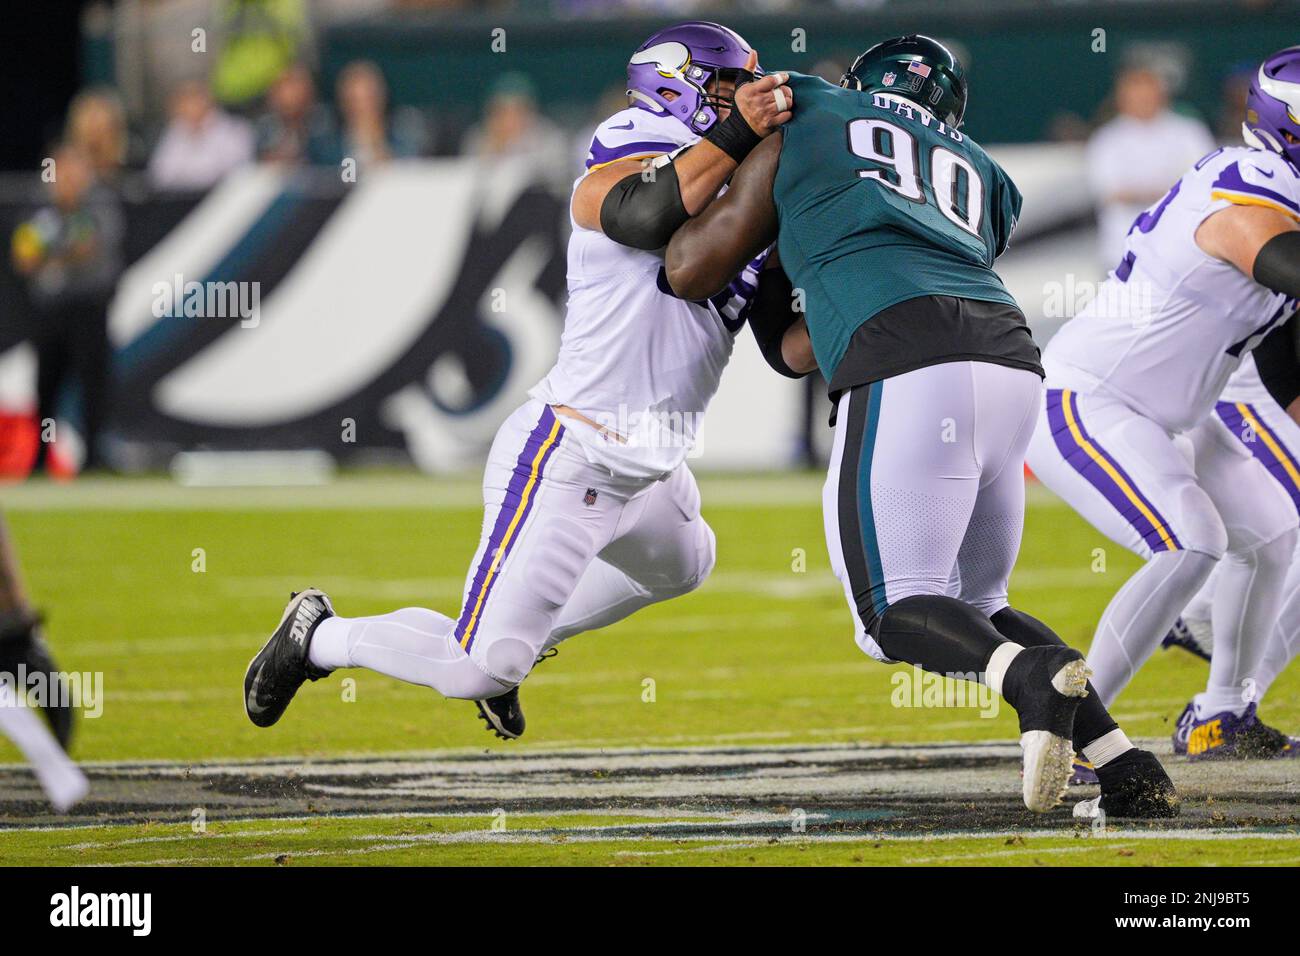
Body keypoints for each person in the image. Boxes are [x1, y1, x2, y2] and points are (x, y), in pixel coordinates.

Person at [663, 35, 1178, 818]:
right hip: (1008, 362)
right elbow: (808, 339)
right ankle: (1123, 763)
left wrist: (745, 235)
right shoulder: (986, 176)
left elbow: (690, 269)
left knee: (889, 610)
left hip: (906, 357)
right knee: (978, 597)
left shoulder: (811, 107)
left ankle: (1030, 679)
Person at [242, 22, 794, 742]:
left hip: (653, 468)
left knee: (689, 559)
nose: (737, 106)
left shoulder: (742, 195)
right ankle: (319, 636)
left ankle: (513, 634)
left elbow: (785, 345)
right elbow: (646, 212)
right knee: (480, 667)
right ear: (675, 84)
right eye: (724, 90)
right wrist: (740, 139)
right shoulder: (634, 136)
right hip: (574, 450)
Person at [1025, 46, 1300, 762]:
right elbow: (1283, 265)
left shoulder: (1266, 184)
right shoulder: (1250, 187)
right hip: (1087, 399)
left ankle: (1222, 715)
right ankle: (1075, 737)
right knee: (1191, 540)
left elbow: (1276, 347)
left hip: (1167, 414)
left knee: (1270, 536)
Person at [11, 143, 123, 473]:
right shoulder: (40, 209)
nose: (68, 179)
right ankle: (41, 455)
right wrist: (51, 251)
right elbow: (23, 257)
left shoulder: (99, 205)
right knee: (47, 384)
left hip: (88, 306)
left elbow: (85, 247)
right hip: (51, 308)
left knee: (93, 382)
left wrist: (50, 251)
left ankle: (94, 454)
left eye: (75, 171)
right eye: (62, 172)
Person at [1086, 65, 1214, 272]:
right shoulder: (1106, 140)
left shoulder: (1188, 132)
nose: (1143, 101)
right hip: (1122, 256)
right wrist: (1171, 192)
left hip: (1182, 255)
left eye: (1148, 94)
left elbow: (1205, 184)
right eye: (1136, 95)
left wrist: (1143, 192)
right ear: (1121, 99)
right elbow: (1111, 193)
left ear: (1162, 95)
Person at [0, 510, 86, 813]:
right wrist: (18, 614)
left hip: (9, 632)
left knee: (57, 711)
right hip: (9, 634)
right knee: (58, 709)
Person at [148, 79, 255, 191]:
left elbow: (237, 172)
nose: (182, 109)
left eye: (190, 100)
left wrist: (187, 175)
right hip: (179, 199)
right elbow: (160, 174)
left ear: (205, 101)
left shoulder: (236, 128)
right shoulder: (175, 130)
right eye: (180, 103)